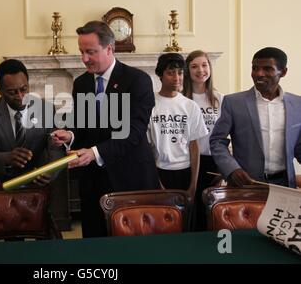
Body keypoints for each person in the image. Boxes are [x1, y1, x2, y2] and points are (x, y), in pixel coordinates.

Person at [52, 21, 160, 237]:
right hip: (93, 183)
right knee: (95, 246)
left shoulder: (137, 81)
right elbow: (83, 125)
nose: (84, 59)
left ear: (109, 49)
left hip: (130, 179)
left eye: (90, 52)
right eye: (81, 51)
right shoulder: (82, 83)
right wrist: (70, 135)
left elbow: (133, 132)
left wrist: (94, 153)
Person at [210, 47, 301, 188]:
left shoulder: (297, 104)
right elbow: (217, 141)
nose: (258, 74)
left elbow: (298, 146)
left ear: (283, 72)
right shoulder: (233, 102)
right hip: (245, 185)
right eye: (254, 68)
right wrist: (232, 169)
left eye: (267, 69)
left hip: (285, 186)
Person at [0, 59, 63, 184]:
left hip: (39, 181)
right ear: (0, 90)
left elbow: (55, 148)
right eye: (12, 92)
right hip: (4, 184)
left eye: (24, 89)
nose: (20, 96)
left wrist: (51, 171)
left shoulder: (46, 109)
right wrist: (7, 157)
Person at [147, 53, 208, 212]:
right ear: (160, 75)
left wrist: (193, 184)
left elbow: (194, 146)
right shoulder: (150, 105)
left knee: (187, 221)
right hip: (160, 171)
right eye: (170, 73)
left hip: (186, 171)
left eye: (180, 73)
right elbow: (148, 147)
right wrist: (156, 182)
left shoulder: (190, 106)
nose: (176, 78)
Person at [183, 50, 224, 231]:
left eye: (204, 65)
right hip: (188, 161)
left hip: (212, 161)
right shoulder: (182, 99)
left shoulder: (220, 99)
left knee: (209, 208)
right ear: (188, 71)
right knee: (190, 208)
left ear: (210, 68)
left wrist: (224, 167)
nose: (200, 70)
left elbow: (224, 135)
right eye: (194, 66)